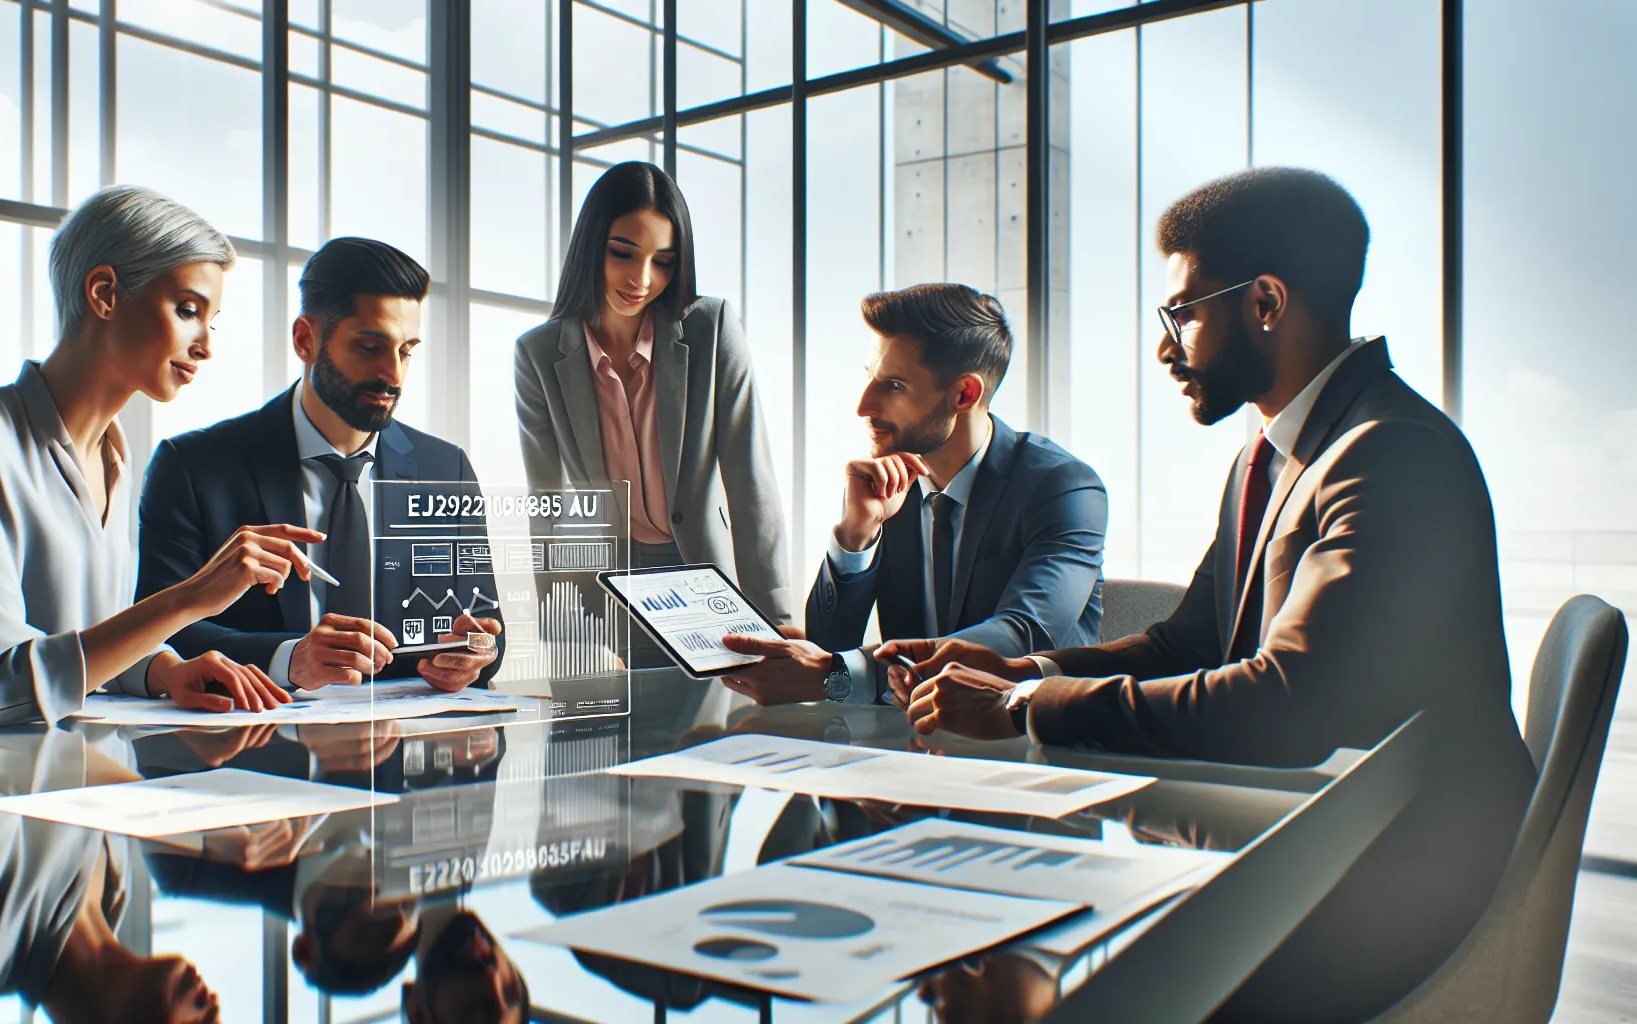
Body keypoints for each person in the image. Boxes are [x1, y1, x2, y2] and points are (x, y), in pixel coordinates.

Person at [882, 168, 1536, 1022]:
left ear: (1265, 302)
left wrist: (1022, 706)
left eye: (1184, 314)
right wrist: (1026, 665)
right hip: (1325, 851)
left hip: (1393, 885)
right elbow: (1187, 643)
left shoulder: (1387, 454)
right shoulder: (1275, 455)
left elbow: (1288, 705)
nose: (1165, 346)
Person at [0, 185, 307, 731]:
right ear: (105, 294)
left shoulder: (114, 455)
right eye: (188, 310)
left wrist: (165, 669)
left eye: (211, 322)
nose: (206, 346)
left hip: (47, 773)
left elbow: (85, 637)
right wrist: (189, 598)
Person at [136, 237, 503, 695]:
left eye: (406, 350)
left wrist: (474, 653)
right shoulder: (192, 467)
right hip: (256, 745)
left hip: (409, 747)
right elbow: (155, 635)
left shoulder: (447, 469)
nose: (394, 374)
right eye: (370, 346)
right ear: (306, 339)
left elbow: (487, 630)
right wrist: (289, 659)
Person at [717, 283, 1107, 706]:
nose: (864, 405)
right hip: (912, 741)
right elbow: (828, 647)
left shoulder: (1063, 488)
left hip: (1031, 739)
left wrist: (841, 673)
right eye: (870, 378)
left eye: (895, 386)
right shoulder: (887, 488)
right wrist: (857, 534)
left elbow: (1023, 633)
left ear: (964, 394)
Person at [513, 161, 795, 664]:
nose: (641, 279)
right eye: (623, 253)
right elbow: (548, 506)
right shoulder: (538, 353)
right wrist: (562, 628)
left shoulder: (711, 327)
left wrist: (777, 616)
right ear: (590, 246)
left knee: (708, 733)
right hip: (610, 580)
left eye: (662, 261)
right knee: (623, 737)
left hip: (702, 574)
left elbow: (750, 475)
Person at [0, 729, 222, 1023]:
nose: (215, 1008)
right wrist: (167, 685)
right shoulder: (117, 889)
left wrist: (177, 820)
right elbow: (97, 721)